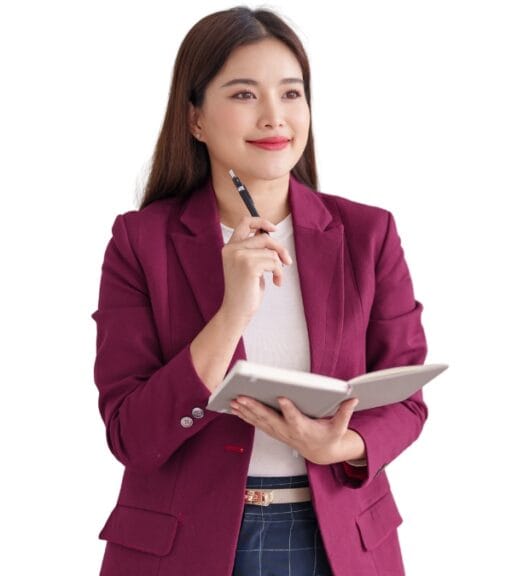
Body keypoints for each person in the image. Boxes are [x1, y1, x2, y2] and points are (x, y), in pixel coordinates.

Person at [92, 7, 427, 575]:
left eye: (291, 94)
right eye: (245, 95)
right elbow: (132, 436)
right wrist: (231, 315)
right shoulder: (139, 241)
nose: (275, 117)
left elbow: (407, 400)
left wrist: (339, 447)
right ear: (195, 118)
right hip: (183, 549)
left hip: (337, 543)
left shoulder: (368, 234)